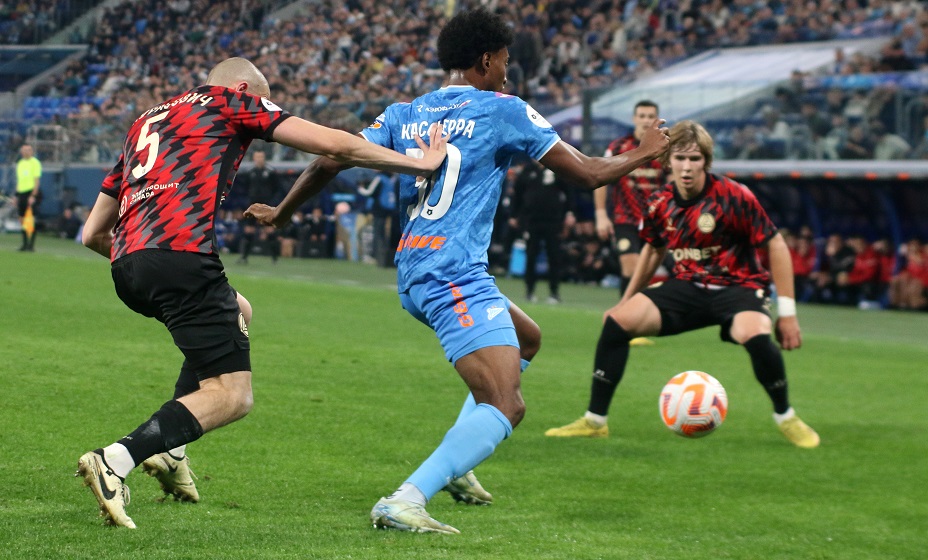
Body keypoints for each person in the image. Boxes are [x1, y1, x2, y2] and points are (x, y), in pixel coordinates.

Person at [245, 8, 669, 534]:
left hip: (415, 268)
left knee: (527, 339)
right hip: (452, 274)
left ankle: (460, 464)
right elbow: (586, 174)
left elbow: (329, 160)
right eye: (505, 62)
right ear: (486, 60)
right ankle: (406, 499)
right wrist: (644, 153)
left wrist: (282, 212)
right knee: (507, 404)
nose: (507, 74)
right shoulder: (503, 109)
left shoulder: (405, 112)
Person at [76, 57, 447, 529]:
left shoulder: (146, 121)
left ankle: (172, 452)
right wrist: (420, 163)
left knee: (239, 309)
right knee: (234, 395)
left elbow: (92, 233)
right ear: (244, 88)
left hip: (126, 265)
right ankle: (116, 459)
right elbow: (337, 146)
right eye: (264, 101)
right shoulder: (230, 102)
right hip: (180, 257)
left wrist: (145, 259)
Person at [545, 121, 820, 450]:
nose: (687, 167)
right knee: (617, 322)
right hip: (688, 286)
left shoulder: (733, 196)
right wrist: (626, 300)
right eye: (680, 158)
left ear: (706, 161)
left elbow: (775, 244)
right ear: (667, 161)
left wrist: (787, 313)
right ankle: (594, 421)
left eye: (694, 159)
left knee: (755, 334)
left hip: (739, 287)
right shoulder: (660, 202)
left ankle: (785, 416)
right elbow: (653, 250)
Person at [596, 100, 666, 345]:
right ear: (634, 118)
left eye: (650, 116)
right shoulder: (618, 147)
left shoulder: (664, 147)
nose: (646, 120)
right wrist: (600, 214)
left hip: (656, 221)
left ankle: (635, 320)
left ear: (657, 119)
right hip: (625, 218)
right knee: (631, 267)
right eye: (642, 115)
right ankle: (626, 321)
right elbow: (601, 177)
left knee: (648, 271)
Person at [509, 160, 571, 304]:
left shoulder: (556, 167)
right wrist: (514, 215)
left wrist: (569, 212)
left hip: (553, 220)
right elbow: (518, 193)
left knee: (554, 256)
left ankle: (554, 292)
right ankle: (529, 291)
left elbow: (568, 192)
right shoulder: (527, 171)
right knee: (531, 256)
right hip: (531, 220)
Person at [237, 151, 283, 263]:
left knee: (269, 230)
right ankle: (244, 257)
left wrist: (272, 202)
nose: (259, 159)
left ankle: (274, 258)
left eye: (261, 157)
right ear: (254, 158)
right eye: (257, 157)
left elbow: (277, 188)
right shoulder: (250, 172)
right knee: (249, 230)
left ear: (264, 158)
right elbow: (246, 188)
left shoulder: (271, 172)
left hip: (266, 205)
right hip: (253, 206)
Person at [15, 143, 42, 251]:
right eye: (24, 150)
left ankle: (31, 245)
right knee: (21, 219)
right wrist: (16, 196)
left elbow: (36, 181)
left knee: (31, 219)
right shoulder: (20, 163)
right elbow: (19, 181)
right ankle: (24, 244)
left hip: (30, 193)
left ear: (31, 151)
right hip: (21, 194)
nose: (25, 152)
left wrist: (33, 196)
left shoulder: (35, 163)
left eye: (28, 150)